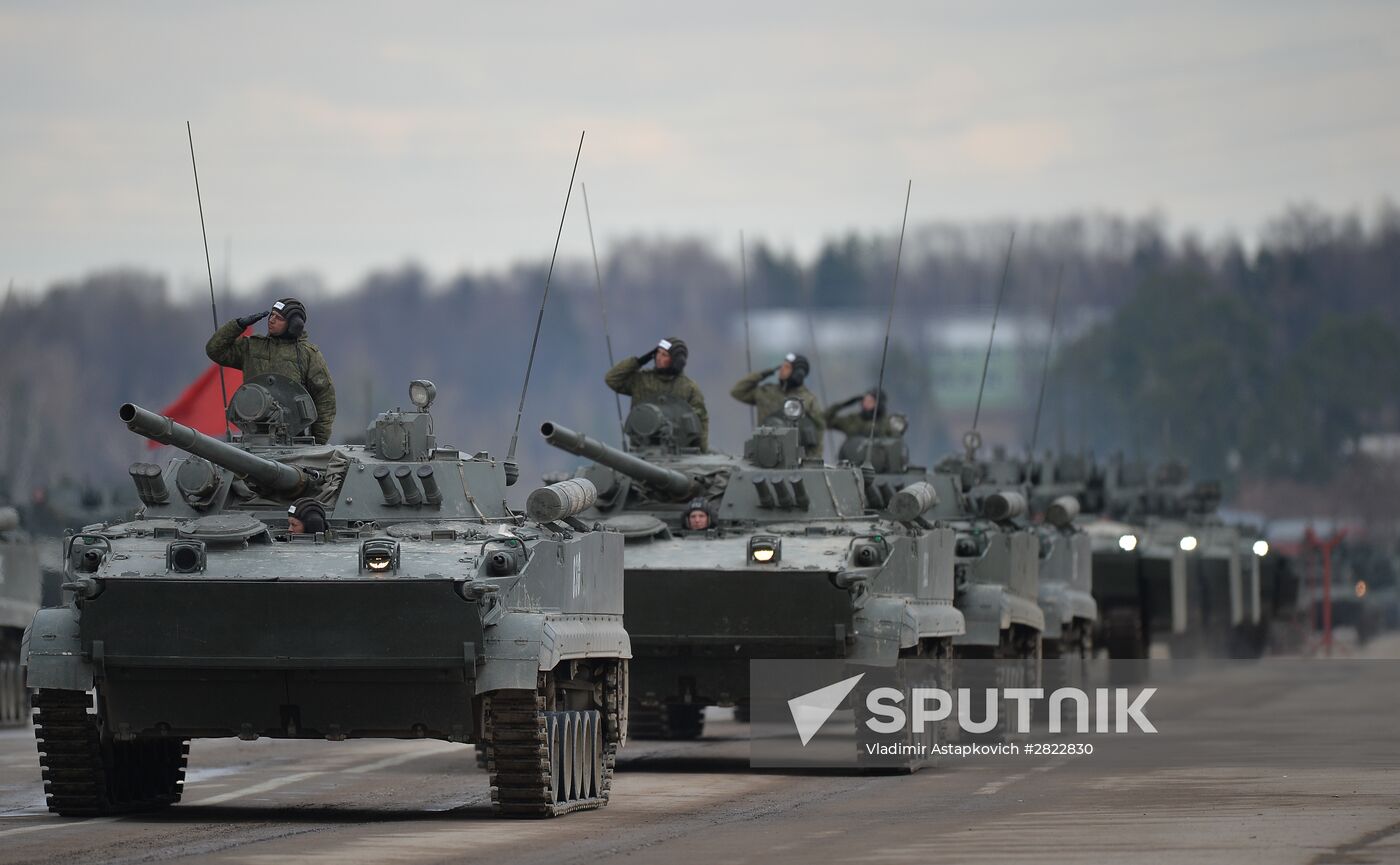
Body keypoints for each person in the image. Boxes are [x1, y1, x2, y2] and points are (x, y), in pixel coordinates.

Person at [206, 297, 337, 445]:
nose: (272, 320)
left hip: (293, 439)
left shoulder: (307, 354)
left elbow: (324, 398)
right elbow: (215, 350)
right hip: (252, 434)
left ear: (294, 325)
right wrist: (237, 325)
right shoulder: (252, 347)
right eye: (271, 315)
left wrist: (318, 443)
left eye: (279, 318)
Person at [604, 337, 709, 451]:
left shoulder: (689, 388)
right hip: (641, 447)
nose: (658, 357)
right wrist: (639, 361)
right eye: (657, 352)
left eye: (664, 355)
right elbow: (612, 379)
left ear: (676, 361)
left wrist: (702, 451)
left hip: (679, 450)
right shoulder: (642, 380)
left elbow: (700, 421)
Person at [730, 352, 825, 458]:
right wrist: (765, 373)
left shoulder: (808, 400)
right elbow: (737, 391)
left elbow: (819, 429)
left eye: (786, 367)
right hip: (764, 452)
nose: (781, 369)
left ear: (798, 373)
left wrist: (814, 459)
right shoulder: (766, 392)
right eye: (782, 366)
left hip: (793, 458)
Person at [825, 388, 902, 440]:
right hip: (851, 460)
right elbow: (825, 420)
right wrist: (844, 404)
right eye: (864, 401)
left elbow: (895, 441)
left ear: (879, 405)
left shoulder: (886, 423)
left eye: (870, 402)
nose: (865, 404)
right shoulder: (853, 420)